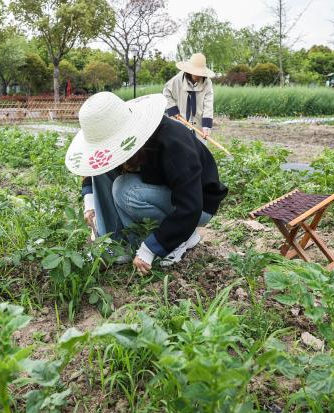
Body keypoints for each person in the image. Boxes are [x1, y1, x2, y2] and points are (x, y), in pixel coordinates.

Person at [65, 92, 228, 276]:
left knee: (125, 190)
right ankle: (114, 244)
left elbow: (191, 206)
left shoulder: (173, 142)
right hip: (163, 190)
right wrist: (90, 201)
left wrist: (151, 248)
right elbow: (95, 166)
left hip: (198, 205)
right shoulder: (129, 145)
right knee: (103, 169)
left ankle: (176, 239)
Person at [162, 53, 215, 140]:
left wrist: (206, 127)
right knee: (181, 144)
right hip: (180, 119)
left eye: (200, 73)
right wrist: (173, 110)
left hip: (198, 124)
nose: (198, 75)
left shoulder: (207, 83)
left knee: (199, 146)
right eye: (196, 72)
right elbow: (166, 93)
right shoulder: (177, 80)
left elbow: (208, 106)